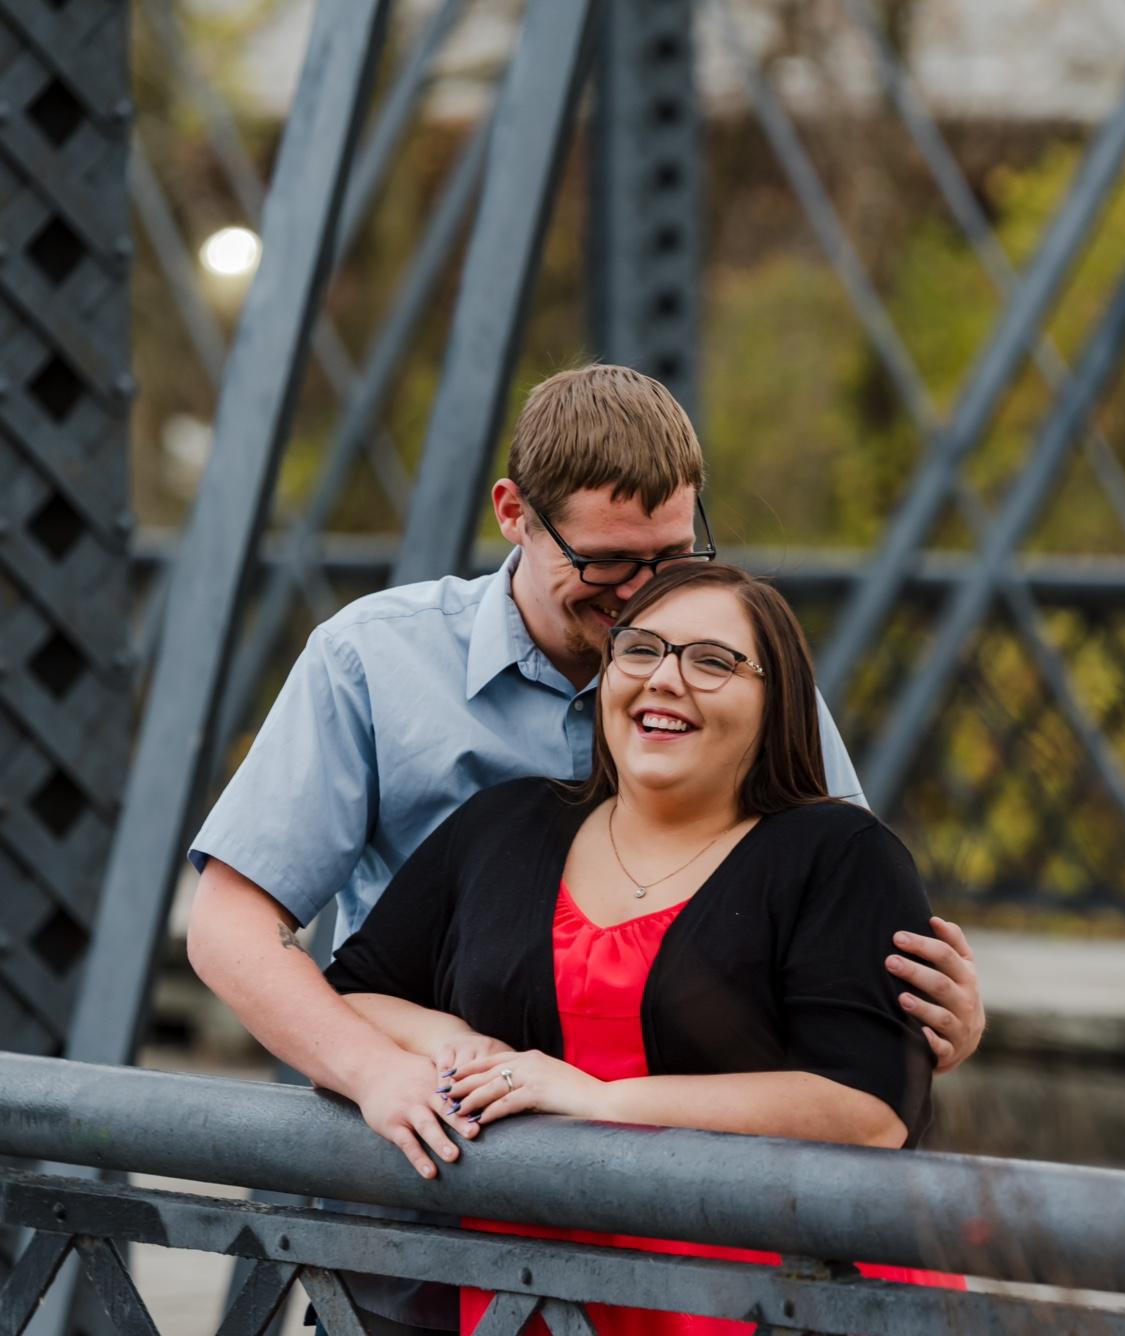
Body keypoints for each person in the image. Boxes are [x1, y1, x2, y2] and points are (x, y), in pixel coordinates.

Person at [187, 364, 984, 1334]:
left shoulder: (743, 676)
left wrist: (930, 1022)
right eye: (607, 563)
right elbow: (231, 928)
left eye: (673, 556)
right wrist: (379, 1071)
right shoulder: (375, 660)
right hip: (430, 1186)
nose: (643, 596)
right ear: (514, 514)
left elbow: (831, 913)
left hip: (708, 1239)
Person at [324, 561, 965, 1336]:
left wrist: (601, 1102)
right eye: (640, 649)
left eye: (712, 661)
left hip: (774, 1306)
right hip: (538, 1295)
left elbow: (869, 1112)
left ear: (778, 701)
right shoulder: (504, 827)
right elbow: (350, 993)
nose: (665, 678)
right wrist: (450, 1040)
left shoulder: (842, 854)